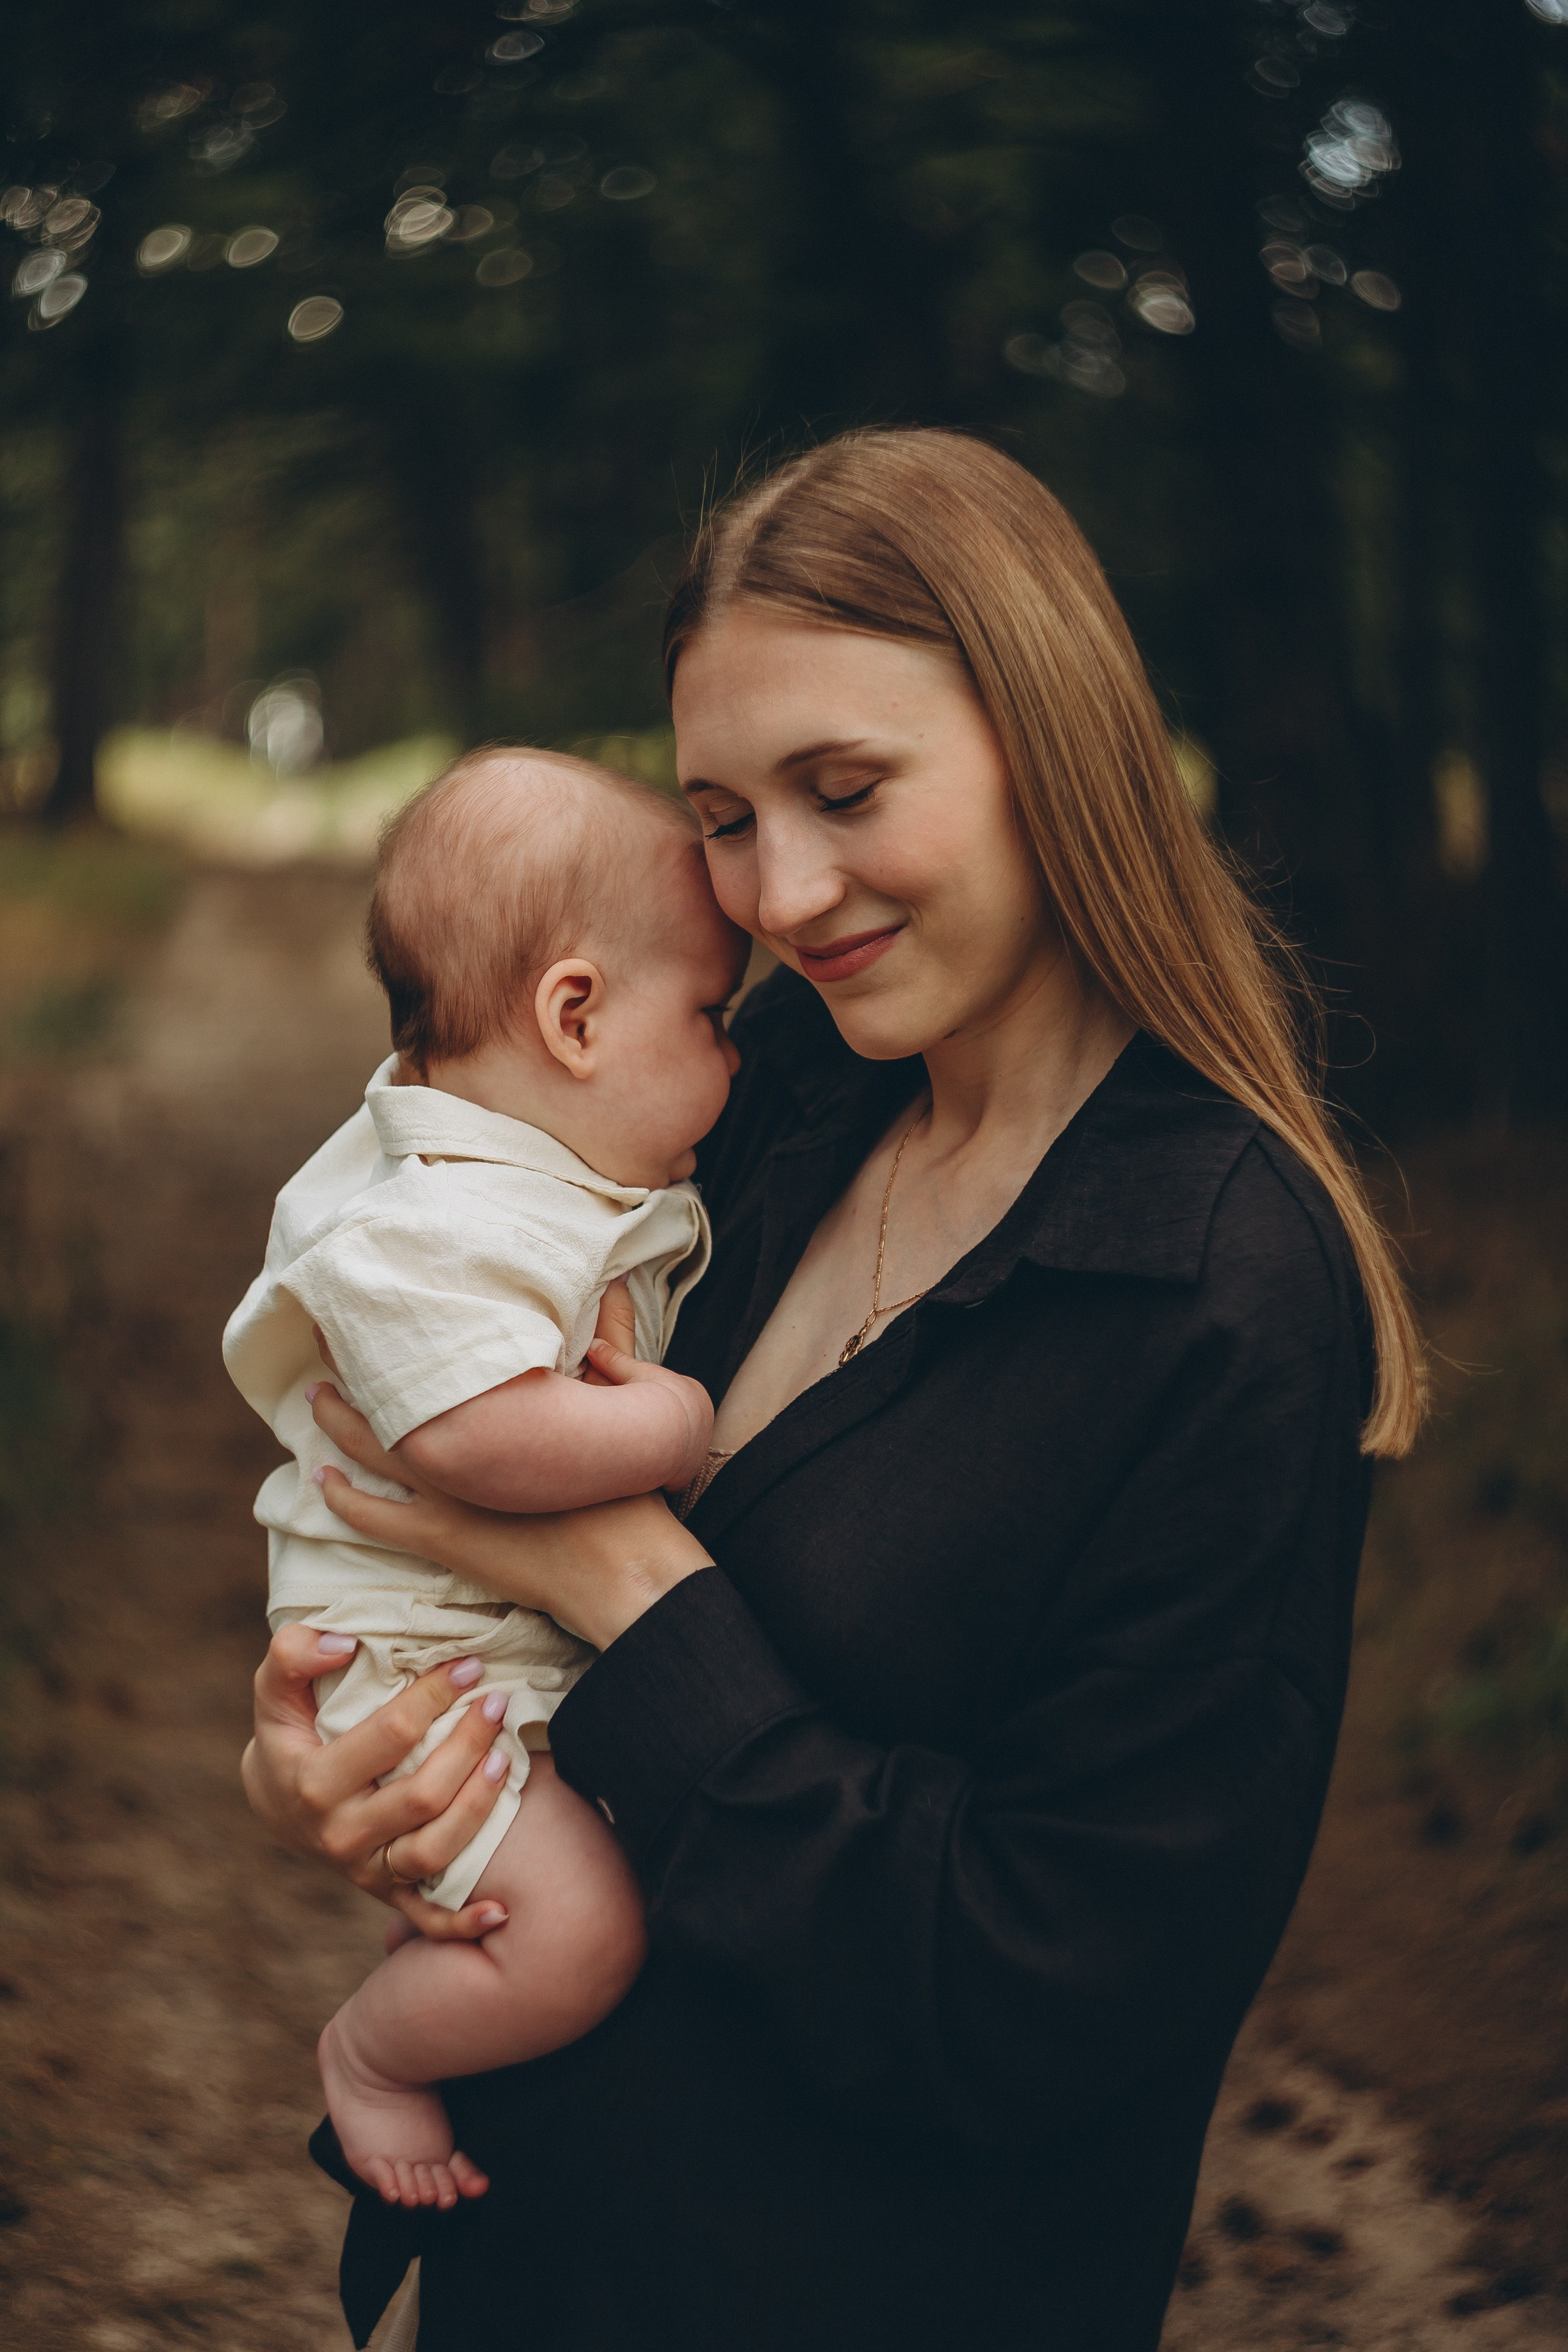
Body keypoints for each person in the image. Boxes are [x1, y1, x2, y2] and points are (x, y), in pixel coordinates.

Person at [243, 428, 1425, 2352]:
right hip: (536, 2270)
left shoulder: (1217, 1290)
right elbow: (431, 1367)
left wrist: (632, 1596)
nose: (779, 893)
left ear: (1049, 738)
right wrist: (333, 1774)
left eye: (846, 789)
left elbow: (1033, 1996)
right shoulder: (762, 1098)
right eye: (720, 814)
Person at [223, 748, 745, 2210]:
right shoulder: (439, 1218)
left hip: (476, 1662)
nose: (737, 1057)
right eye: (713, 1015)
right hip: (422, 1672)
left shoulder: (521, 1168)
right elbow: (472, 1442)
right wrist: (681, 1426)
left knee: (548, 1904)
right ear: (574, 1015)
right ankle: (378, 2060)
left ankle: (446, 1980)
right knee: (583, 1937)